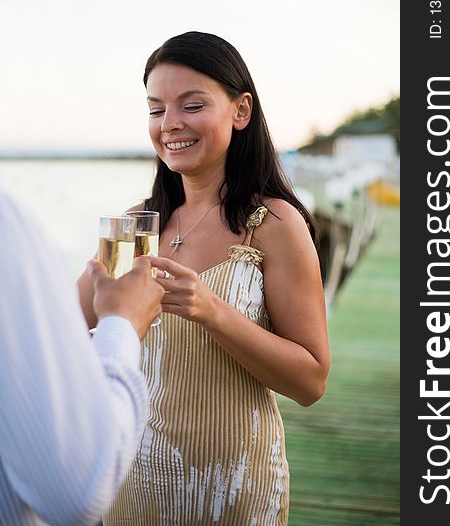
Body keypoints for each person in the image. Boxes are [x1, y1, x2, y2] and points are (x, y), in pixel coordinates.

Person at [78, 31, 330, 525]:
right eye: (156, 109)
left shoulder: (274, 224)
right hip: (130, 484)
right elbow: (59, 331)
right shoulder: (133, 226)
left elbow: (311, 381)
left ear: (241, 111)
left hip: (232, 487)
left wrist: (210, 309)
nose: (170, 124)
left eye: (191, 105)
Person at [0, 187, 165, 525]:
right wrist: (123, 323)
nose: (169, 129)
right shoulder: (8, 225)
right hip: (126, 480)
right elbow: (77, 492)